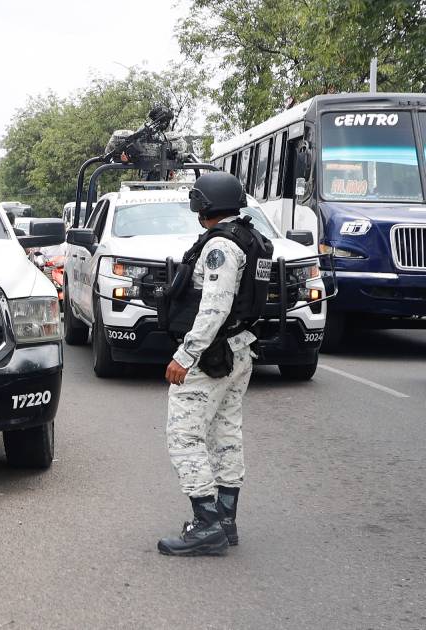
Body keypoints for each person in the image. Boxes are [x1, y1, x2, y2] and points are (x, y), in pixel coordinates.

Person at [158, 172, 273, 557]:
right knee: (225, 433)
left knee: (184, 436)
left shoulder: (220, 247)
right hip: (238, 351)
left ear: (203, 204)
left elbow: (214, 307)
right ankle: (225, 519)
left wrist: (185, 355)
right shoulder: (250, 238)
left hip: (211, 357)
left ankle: (206, 524)